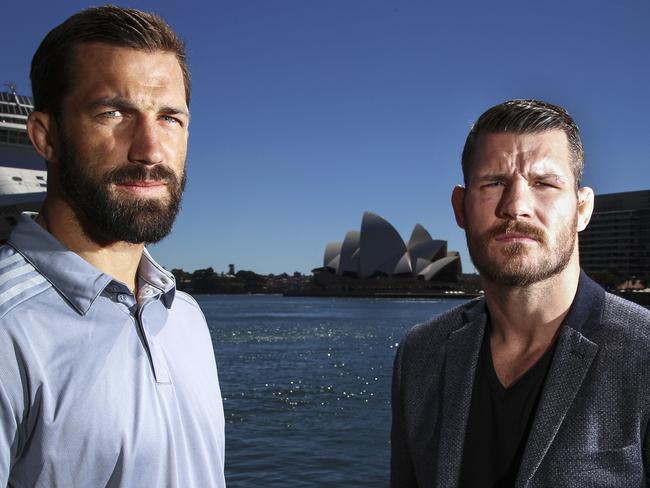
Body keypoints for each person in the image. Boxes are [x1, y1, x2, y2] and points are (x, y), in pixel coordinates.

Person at [0, 6, 225, 487]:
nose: (149, 148)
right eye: (113, 113)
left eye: (169, 118)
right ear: (46, 136)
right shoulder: (8, 330)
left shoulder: (184, 316)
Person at [390, 99, 650, 487]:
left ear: (582, 209)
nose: (516, 207)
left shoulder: (644, 354)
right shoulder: (421, 353)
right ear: (461, 207)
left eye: (544, 183)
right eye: (494, 183)